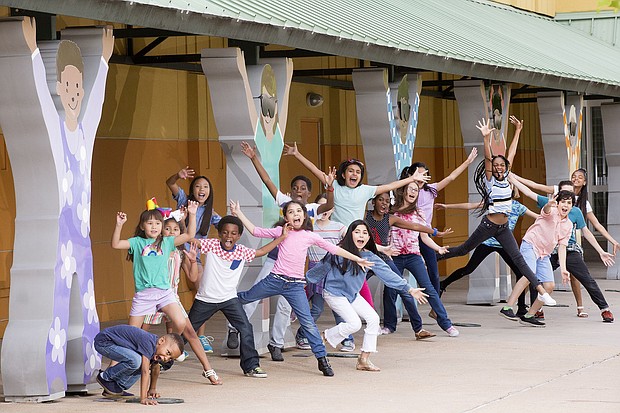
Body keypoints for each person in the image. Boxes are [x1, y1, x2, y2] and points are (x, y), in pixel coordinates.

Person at [230, 199, 374, 376]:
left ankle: (322, 359)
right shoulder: (281, 231)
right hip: (275, 279)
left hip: (295, 286)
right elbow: (255, 231)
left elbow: (334, 249)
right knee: (244, 298)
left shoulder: (309, 235)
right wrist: (238, 213)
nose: (295, 214)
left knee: (308, 323)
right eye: (291, 212)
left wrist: (357, 258)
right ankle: (226, 319)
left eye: (298, 211)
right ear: (286, 217)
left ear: (304, 216)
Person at [282, 143, 429, 314]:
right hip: (339, 244)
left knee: (371, 276)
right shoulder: (334, 186)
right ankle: (303, 299)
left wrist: (411, 179)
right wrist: (297, 154)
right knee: (329, 281)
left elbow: (390, 186)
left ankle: (375, 316)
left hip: (358, 242)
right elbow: (315, 170)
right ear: (343, 174)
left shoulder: (365, 190)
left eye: (358, 172)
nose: (354, 174)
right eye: (351, 171)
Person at [226, 142, 334, 360]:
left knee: (285, 306)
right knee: (254, 296)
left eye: (303, 188)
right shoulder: (285, 204)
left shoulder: (312, 209)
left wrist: (330, 188)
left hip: (294, 268)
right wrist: (253, 157)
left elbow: (329, 204)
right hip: (274, 261)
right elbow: (267, 181)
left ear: (309, 193)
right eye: (295, 188)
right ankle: (234, 327)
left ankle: (276, 343)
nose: (298, 191)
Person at [437, 119, 557, 308]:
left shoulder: (508, 178)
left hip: (503, 228)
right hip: (489, 226)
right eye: (496, 165)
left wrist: (518, 131)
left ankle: (542, 293)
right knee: (463, 250)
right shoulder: (490, 181)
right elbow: (487, 158)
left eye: (502, 165)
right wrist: (486, 139)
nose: (499, 167)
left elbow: (512, 153)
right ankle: (431, 255)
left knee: (519, 260)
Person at [111, 202, 222, 384]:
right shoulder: (139, 243)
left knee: (186, 328)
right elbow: (115, 244)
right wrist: (119, 224)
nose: (155, 227)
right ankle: (111, 373)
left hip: (167, 295)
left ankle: (191, 359)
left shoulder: (171, 246)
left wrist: (192, 214)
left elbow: (189, 236)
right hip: (146, 296)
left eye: (158, 223)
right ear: (143, 226)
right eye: (150, 223)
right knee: (131, 335)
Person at [307, 220, 428, 371]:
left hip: (352, 295)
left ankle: (363, 359)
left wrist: (409, 289)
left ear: (369, 238)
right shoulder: (339, 251)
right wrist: (305, 281)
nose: (361, 235)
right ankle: (324, 337)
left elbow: (387, 273)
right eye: (357, 232)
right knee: (354, 324)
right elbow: (320, 269)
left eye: (365, 233)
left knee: (373, 319)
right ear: (350, 234)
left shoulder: (369, 256)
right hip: (334, 293)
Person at [187, 215, 288, 378]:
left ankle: (251, 366)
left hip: (229, 299)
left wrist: (282, 237)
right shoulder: (211, 245)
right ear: (219, 233)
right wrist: (189, 218)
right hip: (206, 299)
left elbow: (261, 251)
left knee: (246, 328)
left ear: (239, 236)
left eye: (233, 233)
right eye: (225, 232)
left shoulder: (242, 251)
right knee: (187, 331)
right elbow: (191, 239)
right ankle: (163, 360)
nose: (229, 236)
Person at [511, 176, 616, 322]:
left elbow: (586, 231)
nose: (567, 200)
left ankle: (604, 308)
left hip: (569, 248)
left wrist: (600, 251)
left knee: (586, 279)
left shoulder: (575, 211)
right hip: (547, 250)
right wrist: (511, 177)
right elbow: (530, 190)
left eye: (570, 195)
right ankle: (536, 310)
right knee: (535, 277)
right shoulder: (551, 205)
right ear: (558, 196)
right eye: (564, 195)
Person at [398, 146, 478, 311]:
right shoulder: (405, 191)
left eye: (425, 174)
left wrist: (468, 162)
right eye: (419, 173)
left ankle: (436, 309)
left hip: (425, 235)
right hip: (407, 235)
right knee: (404, 273)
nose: (422, 177)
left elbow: (451, 177)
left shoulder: (431, 190)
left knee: (433, 273)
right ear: (412, 174)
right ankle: (404, 309)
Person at [365, 192, 451, 337]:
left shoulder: (390, 218)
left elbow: (415, 226)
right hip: (365, 258)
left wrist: (435, 232)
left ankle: (418, 329)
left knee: (405, 290)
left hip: (384, 258)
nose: (384, 203)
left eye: (387, 201)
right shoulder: (365, 216)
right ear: (373, 202)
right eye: (380, 200)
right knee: (353, 288)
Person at [436, 197, 539, 317]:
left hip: (504, 244)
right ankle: (443, 284)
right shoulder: (495, 202)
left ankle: (521, 308)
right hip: (487, 243)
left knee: (521, 273)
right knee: (468, 269)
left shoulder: (518, 206)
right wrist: (447, 206)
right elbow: (471, 205)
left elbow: (538, 217)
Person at [391, 182, 459, 337]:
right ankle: (389, 325)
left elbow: (424, 236)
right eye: (410, 189)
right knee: (390, 290)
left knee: (429, 288)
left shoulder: (418, 212)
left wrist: (438, 248)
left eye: (416, 190)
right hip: (395, 256)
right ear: (403, 191)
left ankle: (446, 324)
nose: (413, 192)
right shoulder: (392, 211)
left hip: (413, 256)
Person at [499, 188, 574, 327]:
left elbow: (562, 247)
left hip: (544, 254)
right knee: (529, 275)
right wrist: (549, 204)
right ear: (557, 203)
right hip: (531, 245)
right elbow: (546, 210)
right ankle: (507, 307)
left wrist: (563, 269)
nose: (565, 205)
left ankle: (529, 315)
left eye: (569, 203)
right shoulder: (551, 211)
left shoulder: (568, 225)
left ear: (572, 206)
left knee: (549, 286)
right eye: (563, 202)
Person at [166, 167, 221, 351]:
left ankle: (200, 335)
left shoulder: (210, 212)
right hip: (174, 252)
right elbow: (170, 183)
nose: (201, 189)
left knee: (202, 291)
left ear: (210, 191)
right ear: (192, 190)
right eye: (198, 186)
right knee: (168, 291)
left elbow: (226, 227)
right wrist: (177, 175)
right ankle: (170, 337)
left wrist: (237, 217)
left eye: (205, 186)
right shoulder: (184, 201)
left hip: (193, 256)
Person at [295, 194, 347, 351]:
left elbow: (353, 241)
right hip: (316, 272)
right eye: (320, 206)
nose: (324, 210)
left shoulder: (339, 227)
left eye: (327, 207)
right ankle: (301, 334)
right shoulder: (309, 228)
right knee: (317, 308)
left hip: (334, 272)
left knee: (339, 307)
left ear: (332, 209)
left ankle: (346, 338)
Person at [141, 217, 197, 362]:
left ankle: (169, 351)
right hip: (155, 294)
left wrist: (193, 261)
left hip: (172, 297)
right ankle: (141, 354)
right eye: (168, 229)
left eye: (176, 229)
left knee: (181, 326)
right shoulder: (154, 250)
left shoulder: (181, 253)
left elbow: (193, 277)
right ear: (161, 231)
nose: (172, 232)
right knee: (143, 328)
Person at [94, 324, 184, 405]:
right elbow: (145, 371)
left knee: (142, 362)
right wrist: (143, 398)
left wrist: (152, 389)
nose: (166, 358)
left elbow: (155, 368)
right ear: (161, 341)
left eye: (170, 358)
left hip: (113, 345)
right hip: (104, 342)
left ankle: (113, 388)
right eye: (168, 353)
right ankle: (105, 377)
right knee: (136, 361)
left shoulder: (156, 350)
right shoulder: (149, 342)